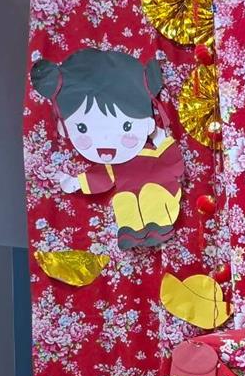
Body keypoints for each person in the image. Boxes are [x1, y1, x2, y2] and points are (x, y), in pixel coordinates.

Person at [30, 48, 184, 249]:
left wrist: (162, 139)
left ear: (146, 123)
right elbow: (101, 178)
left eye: (127, 126)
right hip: (129, 195)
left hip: (162, 193)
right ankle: (130, 231)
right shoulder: (113, 165)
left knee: (151, 193)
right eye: (83, 128)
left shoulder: (151, 151)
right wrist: (76, 182)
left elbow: (174, 165)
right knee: (123, 200)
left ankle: (159, 226)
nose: (105, 141)